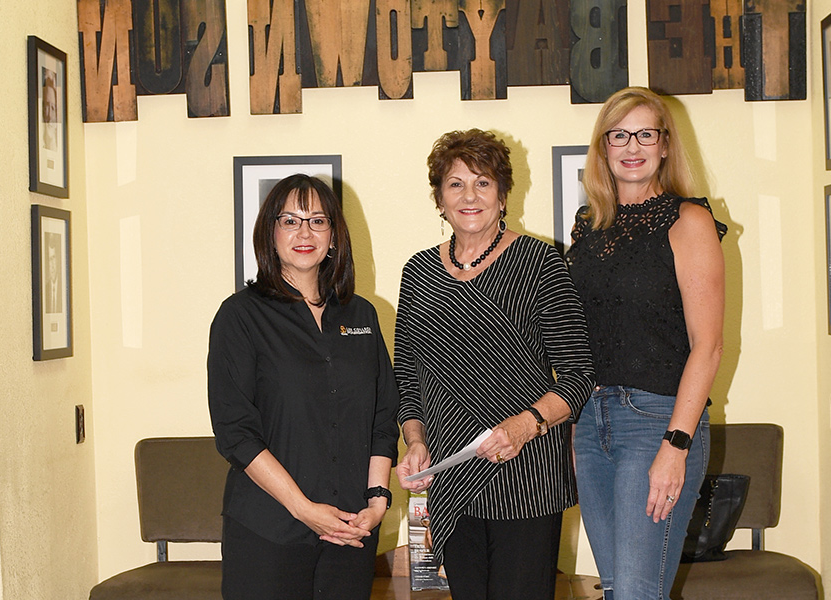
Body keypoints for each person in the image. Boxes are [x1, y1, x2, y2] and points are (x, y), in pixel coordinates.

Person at [394, 129, 595, 600]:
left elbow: (580, 376)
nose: (469, 196)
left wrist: (526, 426)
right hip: (452, 471)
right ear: (439, 198)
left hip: (525, 472)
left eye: (482, 183)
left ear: (503, 195)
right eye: (455, 184)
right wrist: (416, 440)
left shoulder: (540, 262)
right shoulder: (417, 273)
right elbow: (407, 373)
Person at [566, 87, 727, 600]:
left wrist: (675, 445)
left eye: (645, 134)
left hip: (656, 422)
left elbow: (709, 345)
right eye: (619, 135)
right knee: (617, 590)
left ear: (663, 145)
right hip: (590, 424)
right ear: (603, 147)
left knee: (637, 593)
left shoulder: (689, 221)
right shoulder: (589, 227)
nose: (631, 146)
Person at [208, 174, 400, 600]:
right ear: (269, 232)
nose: (304, 232)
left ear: (334, 235)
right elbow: (234, 432)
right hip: (268, 530)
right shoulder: (240, 316)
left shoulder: (362, 314)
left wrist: (377, 500)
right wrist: (303, 510)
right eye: (290, 220)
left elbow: (383, 418)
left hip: (350, 529)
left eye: (317, 220)